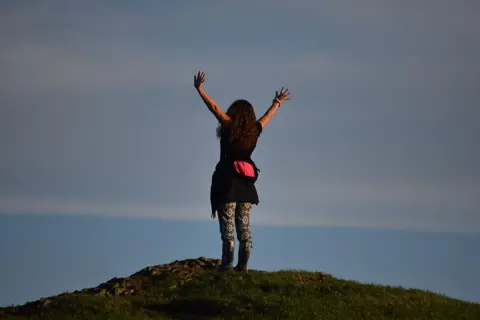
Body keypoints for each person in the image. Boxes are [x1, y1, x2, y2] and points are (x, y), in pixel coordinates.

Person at [194, 71, 291, 272]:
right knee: (244, 228)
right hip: (246, 186)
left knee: (228, 230)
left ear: (234, 112)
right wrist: (277, 103)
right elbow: (268, 116)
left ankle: (227, 265)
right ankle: (243, 266)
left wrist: (199, 89)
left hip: (226, 183)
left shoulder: (228, 125)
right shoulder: (255, 130)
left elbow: (213, 107)